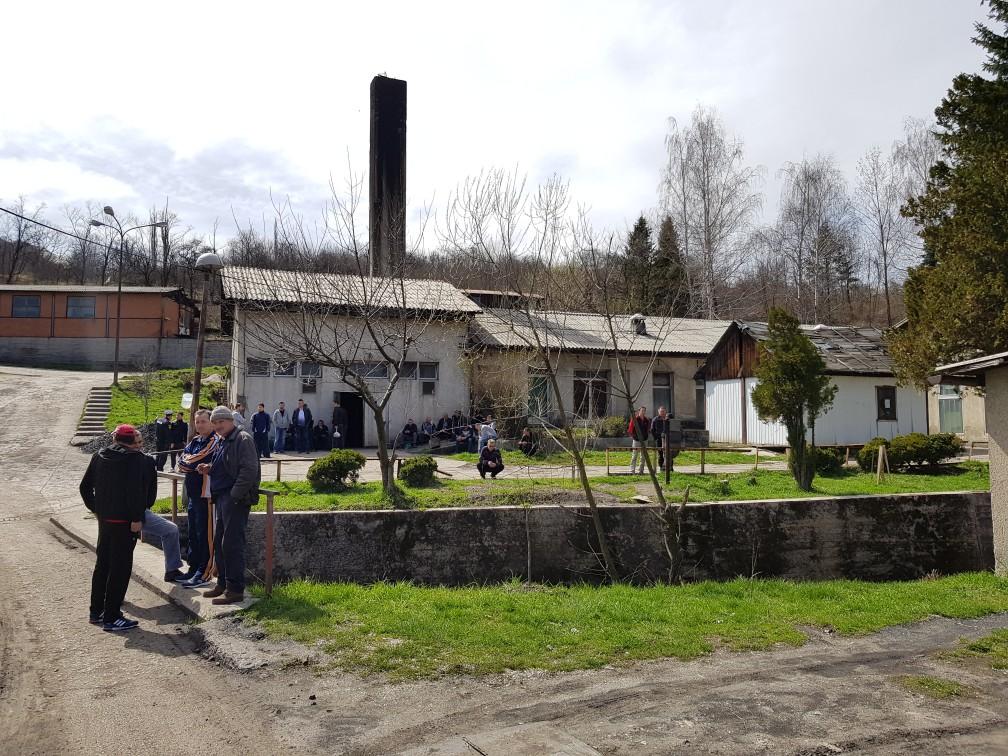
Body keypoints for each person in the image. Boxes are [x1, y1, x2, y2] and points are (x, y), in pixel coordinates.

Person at [80, 424, 155, 632]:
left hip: (105, 521)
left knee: (103, 565)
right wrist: (137, 518)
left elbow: (84, 487)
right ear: (133, 442)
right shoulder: (137, 460)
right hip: (126, 523)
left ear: (115, 439)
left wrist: (97, 509)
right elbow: (137, 493)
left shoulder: (99, 456)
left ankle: (96, 611)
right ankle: (112, 617)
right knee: (120, 569)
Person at [199, 405, 261, 605]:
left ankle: (235, 590)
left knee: (232, 545)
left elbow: (249, 471)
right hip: (224, 497)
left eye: (221, 422)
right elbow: (227, 466)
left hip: (235, 499)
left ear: (231, 421)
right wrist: (209, 468)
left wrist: (234, 495)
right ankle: (223, 583)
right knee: (220, 542)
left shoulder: (243, 439)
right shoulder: (225, 440)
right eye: (215, 422)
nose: (217, 426)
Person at [176, 408, 218, 588]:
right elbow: (181, 461)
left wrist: (187, 463)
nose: (199, 425)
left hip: (205, 496)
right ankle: (193, 568)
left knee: (205, 534)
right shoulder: (195, 440)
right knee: (193, 533)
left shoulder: (214, 440)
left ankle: (204, 572)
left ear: (211, 422)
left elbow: (192, 461)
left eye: (203, 421)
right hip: (192, 495)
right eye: (197, 421)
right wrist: (187, 463)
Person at [628, 406, 651, 474]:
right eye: (642, 410)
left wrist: (646, 436)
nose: (643, 412)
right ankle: (632, 470)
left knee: (643, 456)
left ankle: (641, 470)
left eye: (644, 411)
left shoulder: (647, 420)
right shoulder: (635, 419)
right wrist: (635, 437)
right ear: (639, 411)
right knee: (634, 455)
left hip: (644, 440)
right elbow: (630, 430)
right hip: (636, 440)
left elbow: (648, 429)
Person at [651, 405, 672, 472]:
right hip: (659, 439)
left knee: (669, 453)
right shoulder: (655, 419)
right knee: (660, 454)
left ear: (666, 412)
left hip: (668, 439)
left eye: (663, 411)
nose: (662, 413)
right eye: (661, 411)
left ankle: (670, 467)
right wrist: (656, 438)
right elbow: (652, 430)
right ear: (658, 412)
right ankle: (661, 467)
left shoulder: (668, 419)